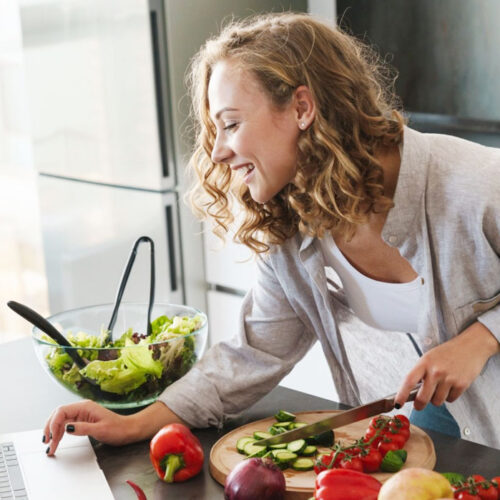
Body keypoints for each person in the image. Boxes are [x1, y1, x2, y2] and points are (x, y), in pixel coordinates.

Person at [43, 12, 500, 455]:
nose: (218, 152)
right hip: (432, 442)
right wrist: (133, 424)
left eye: (231, 124)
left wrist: (480, 340)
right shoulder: (295, 227)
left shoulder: (476, 184)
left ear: (302, 108)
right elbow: (251, 354)